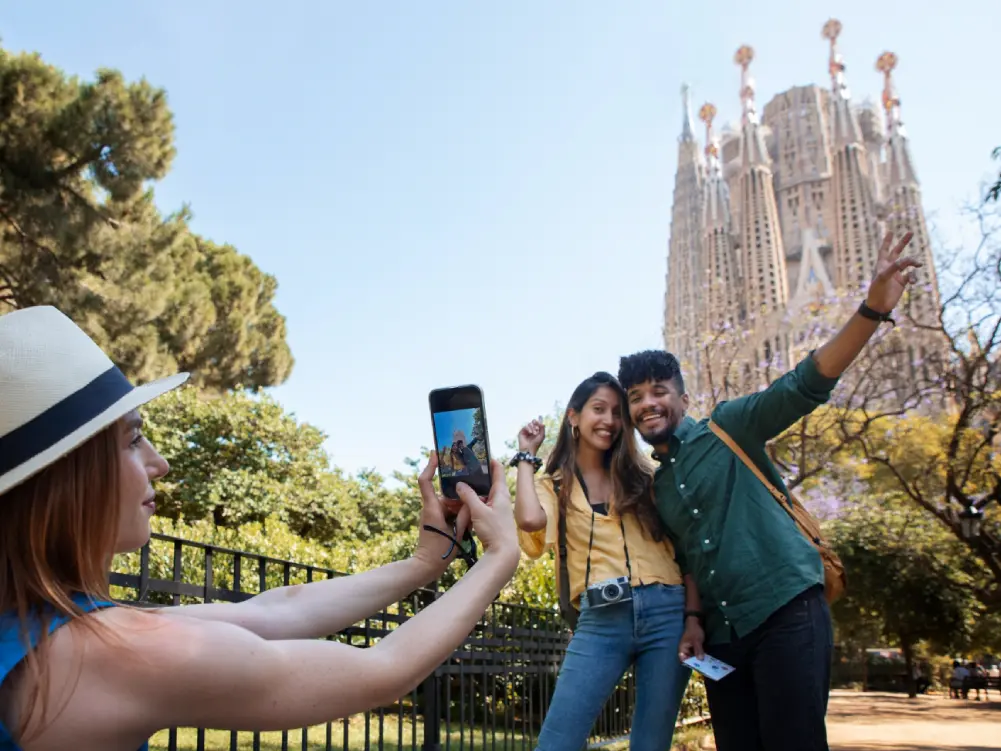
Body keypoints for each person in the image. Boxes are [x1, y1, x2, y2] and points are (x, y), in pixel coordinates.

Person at [0, 306, 520, 751]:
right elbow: (383, 670)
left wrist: (425, 564)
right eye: (133, 439)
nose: (157, 462)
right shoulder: (110, 652)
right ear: (68, 478)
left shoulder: (38, 625)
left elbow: (275, 610)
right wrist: (498, 558)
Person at [617, 232, 921, 751]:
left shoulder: (729, 426)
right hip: (723, 636)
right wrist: (693, 621)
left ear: (682, 397)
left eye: (659, 391)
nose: (648, 403)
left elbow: (803, 385)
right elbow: (690, 560)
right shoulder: (659, 487)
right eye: (636, 397)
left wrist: (871, 310)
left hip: (787, 610)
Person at [511, 372, 695, 751]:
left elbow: (688, 547)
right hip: (601, 618)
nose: (609, 421)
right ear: (574, 416)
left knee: (651, 744)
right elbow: (530, 522)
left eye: (617, 413)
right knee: (556, 743)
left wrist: (693, 617)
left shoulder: (644, 476)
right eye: (598, 409)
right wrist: (526, 457)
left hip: (667, 612)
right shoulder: (555, 484)